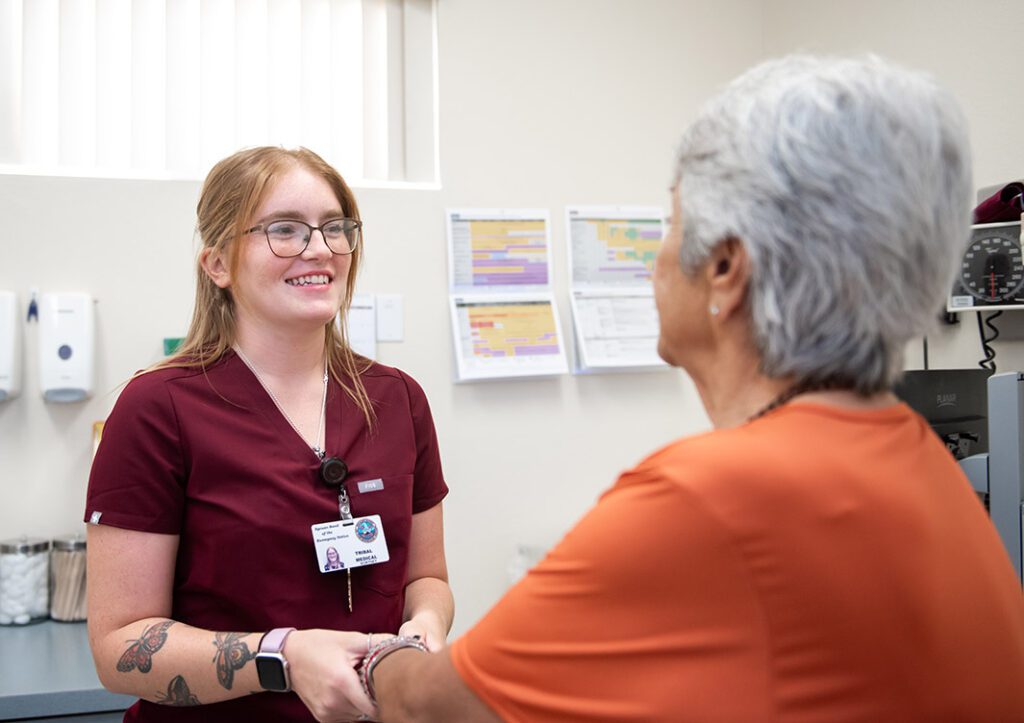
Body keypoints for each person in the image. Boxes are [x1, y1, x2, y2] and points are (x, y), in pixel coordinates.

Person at [338, 56, 1024, 721]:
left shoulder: (715, 492)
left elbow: (434, 707)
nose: (656, 260)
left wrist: (377, 657)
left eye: (670, 225)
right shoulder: (920, 456)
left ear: (726, 267)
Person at [84, 147, 453, 721]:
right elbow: (120, 648)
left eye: (336, 228)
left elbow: (426, 578)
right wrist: (282, 655)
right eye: (285, 229)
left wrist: (424, 627)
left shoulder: (396, 399)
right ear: (218, 264)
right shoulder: (159, 408)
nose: (321, 248)